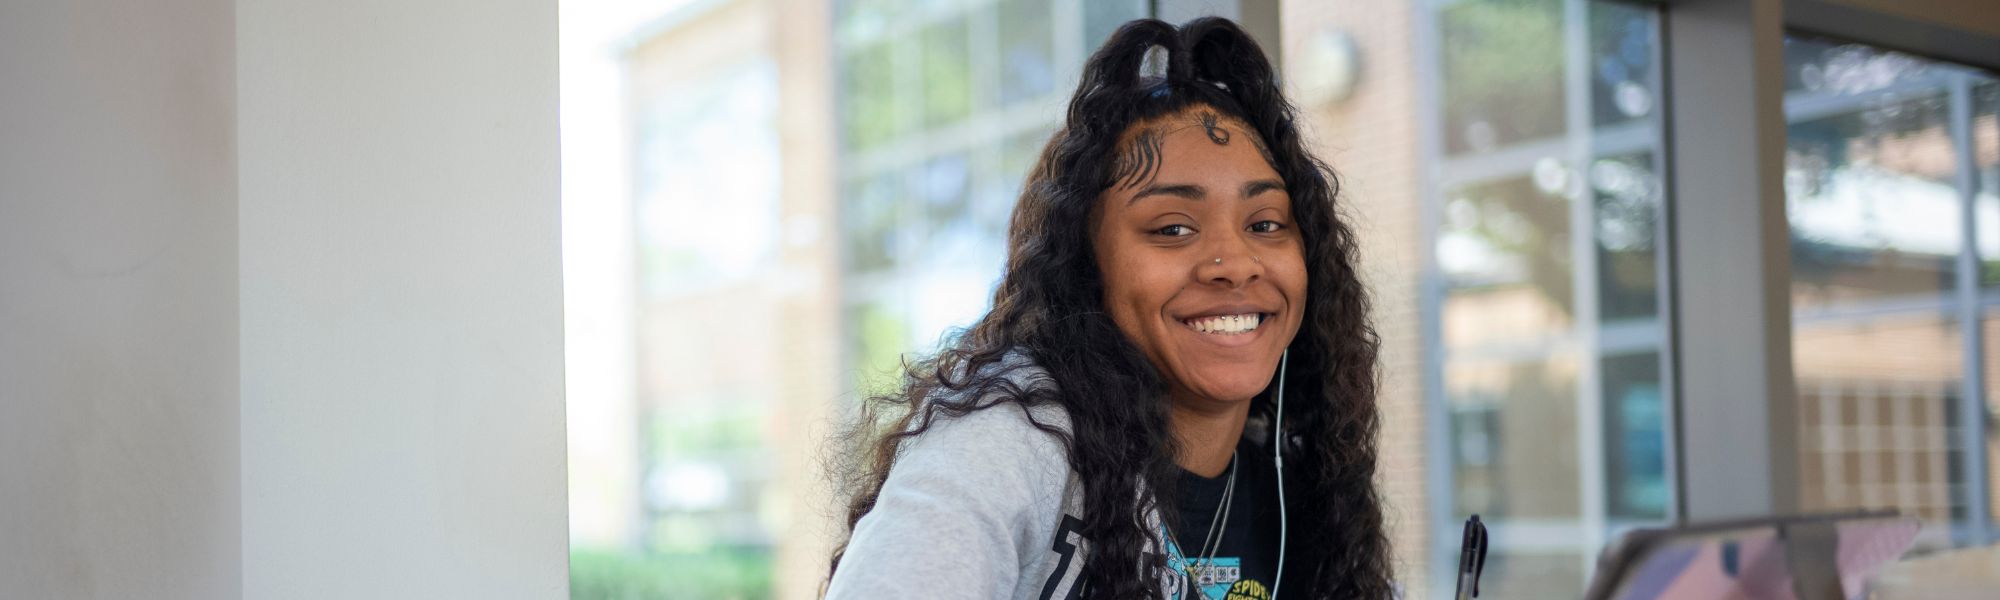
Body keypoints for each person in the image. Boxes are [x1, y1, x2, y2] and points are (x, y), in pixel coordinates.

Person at [823, 16, 1392, 600]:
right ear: (1084, 267)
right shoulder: (1007, 445)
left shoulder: (1307, 492)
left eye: (1266, 224)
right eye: (1173, 228)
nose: (1237, 262)